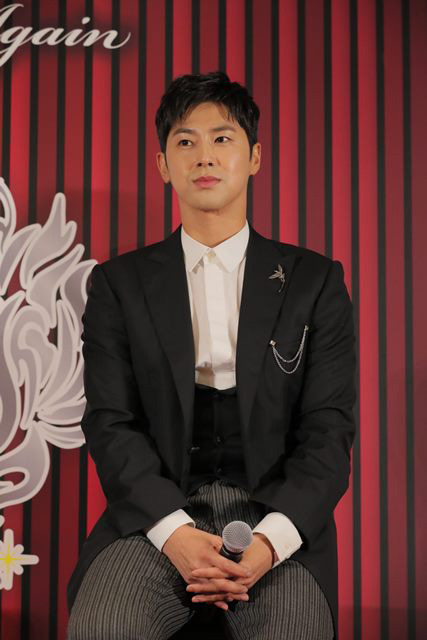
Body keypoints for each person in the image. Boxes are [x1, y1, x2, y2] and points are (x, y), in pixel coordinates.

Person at [67, 71, 356, 640]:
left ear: (254, 157)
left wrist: (271, 542)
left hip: (275, 514)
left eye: (222, 138)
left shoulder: (314, 281)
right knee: (104, 626)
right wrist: (174, 532)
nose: (204, 155)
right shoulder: (119, 284)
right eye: (185, 141)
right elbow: (111, 423)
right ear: (163, 164)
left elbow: (328, 430)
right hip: (156, 514)